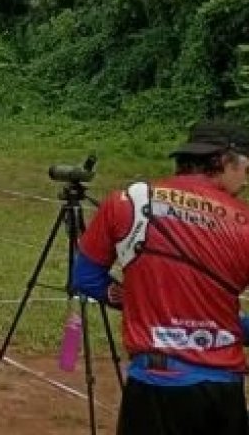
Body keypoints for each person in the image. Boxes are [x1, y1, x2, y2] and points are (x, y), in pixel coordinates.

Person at [73, 121, 249, 435]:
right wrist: (224, 325)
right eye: (246, 170)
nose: (245, 181)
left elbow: (85, 277)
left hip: (154, 381)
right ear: (224, 161)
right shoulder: (244, 222)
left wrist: (136, 300)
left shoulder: (127, 201)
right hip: (222, 389)